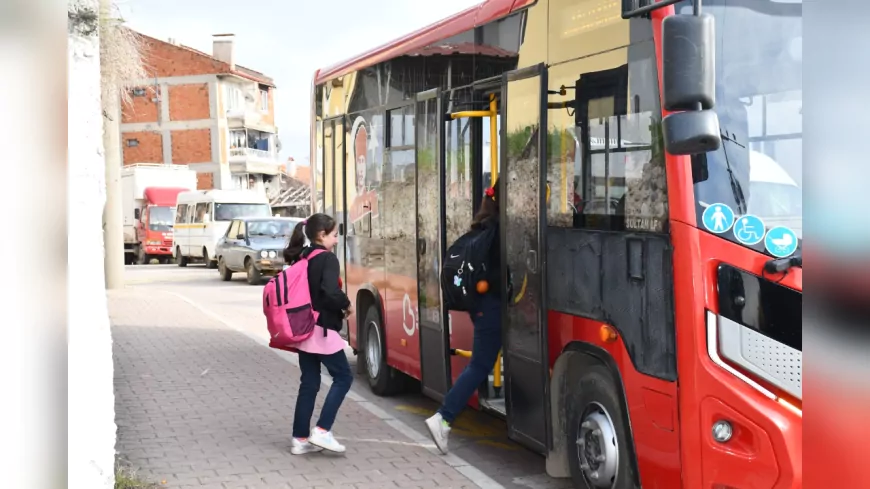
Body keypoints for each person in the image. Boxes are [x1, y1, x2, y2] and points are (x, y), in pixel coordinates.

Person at [425, 180, 503, 454]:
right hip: (490, 307)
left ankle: (443, 417)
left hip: (481, 306)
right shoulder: (499, 232)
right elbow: (496, 274)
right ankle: (443, 417)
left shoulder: (482, 227)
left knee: (483, 363)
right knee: (481, 365)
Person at [283, 213, 354, 455]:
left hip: (303, 328)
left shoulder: (304, 256)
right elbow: (330, 292)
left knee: (310, 383)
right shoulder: (327, 258)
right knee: (344, 377)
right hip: (322, 330)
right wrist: (347, 304)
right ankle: (323, 430)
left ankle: (300, 439)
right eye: (334, 235)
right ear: (321, 235)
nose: (336, 240)